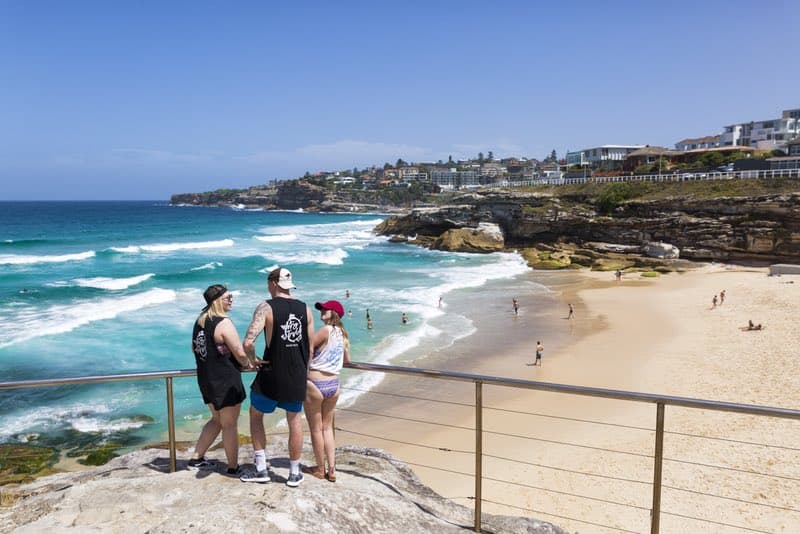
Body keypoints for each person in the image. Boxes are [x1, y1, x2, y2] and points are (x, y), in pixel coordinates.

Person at [240, 267, 314, 487]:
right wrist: (304, 372)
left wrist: (253, 360)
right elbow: (309, 348)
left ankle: (262, 468)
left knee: (255, 415)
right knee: (295, 420)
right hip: (297, 373)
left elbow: (248, 342)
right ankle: (294, 473)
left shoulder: (266, 307)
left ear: (273, 283)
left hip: (272, 372)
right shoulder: (305, 308)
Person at [189, 285, 252, 475]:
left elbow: (195, 349)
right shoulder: (223, 323)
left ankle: (196, 458)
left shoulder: (200, 322)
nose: (231, 299)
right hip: (225, 380)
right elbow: (240, 353)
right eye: (228, 297)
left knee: (217, 420)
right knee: (229, 424)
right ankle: (233, 467)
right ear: (217, 301)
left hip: (206, 378)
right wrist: (248, 364)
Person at [303, 300, 351, 482]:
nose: (322, 311)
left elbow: (307, 349)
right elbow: (347, 360)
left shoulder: (325, 330)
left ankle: (319, 468)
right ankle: (332, 469)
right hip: (334, 384)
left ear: (334, 313)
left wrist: (303, 370)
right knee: (327, 428)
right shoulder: (343, 334)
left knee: (316, 429)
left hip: (315, 383)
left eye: (325, 309)